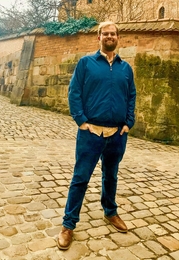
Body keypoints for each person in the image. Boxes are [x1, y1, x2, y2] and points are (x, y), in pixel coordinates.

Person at [57, 21, 137, 250]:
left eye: (113, 33)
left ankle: (110, 212)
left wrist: (128, 123)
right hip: (90, 133)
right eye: (105, 33)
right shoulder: (86, 63)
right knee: (80, 179)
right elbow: (74, 93)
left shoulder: (125, 68)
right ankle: (68, 225)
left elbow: (132, 96)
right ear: (98, 37)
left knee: (111, 176)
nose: (109, 36)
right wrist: (81, 122)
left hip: (117, 134)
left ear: (118, 38)